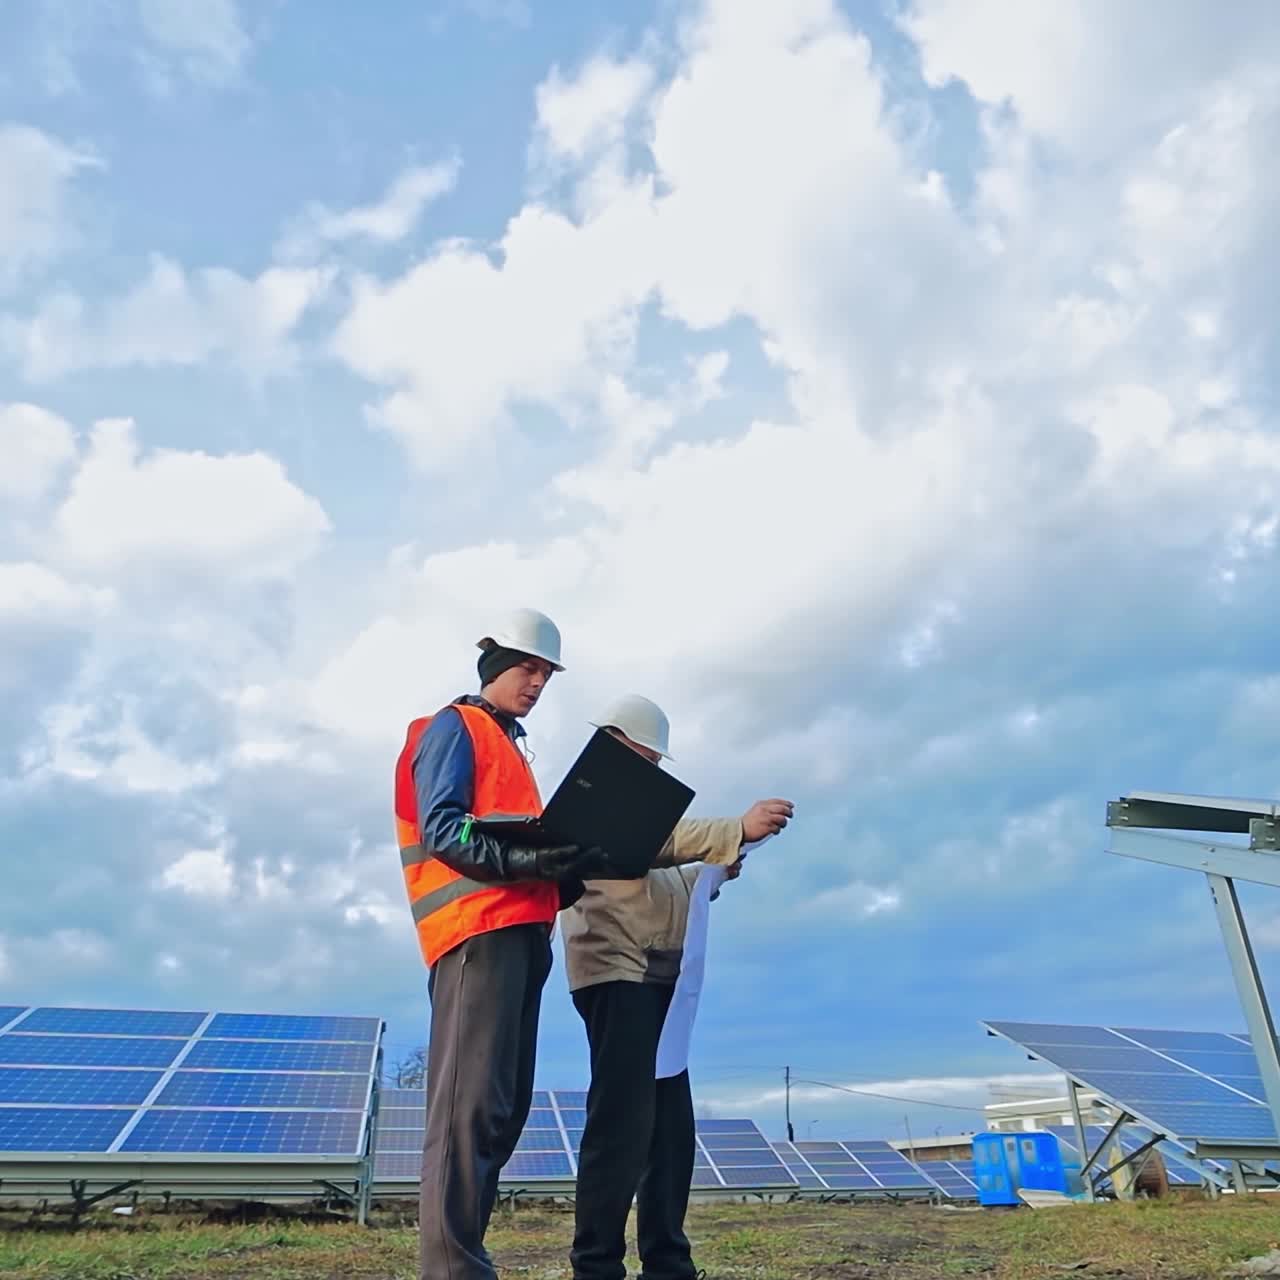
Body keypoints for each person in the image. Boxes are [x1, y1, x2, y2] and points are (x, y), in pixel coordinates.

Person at [394, 608, 609, 1280]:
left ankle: (464, 1256)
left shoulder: (509, 746)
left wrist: (566, 868)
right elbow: (445, 831)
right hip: (474, 940)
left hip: (520, 940)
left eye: (546, 672)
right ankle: (453, 1271)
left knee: (499, 1114)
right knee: (467, 1112)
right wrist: (531, 863)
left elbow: (514, 847)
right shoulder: (453, 729)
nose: (537, 682)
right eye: (527, 668)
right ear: (494, 667)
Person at [562, 693, 794, 1280]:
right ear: (613, 745)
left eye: (655, 763)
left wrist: (709, 873)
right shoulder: (589, 803)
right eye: (644, 758)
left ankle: (667, 1262)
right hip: (618, 976)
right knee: (621, 1123)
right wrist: (732, 829)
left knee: (669, 1129)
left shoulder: (638, 817)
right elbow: (651, 843)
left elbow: (656, 871)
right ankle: (597, 1266)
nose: (650, 772)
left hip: (660, 982)